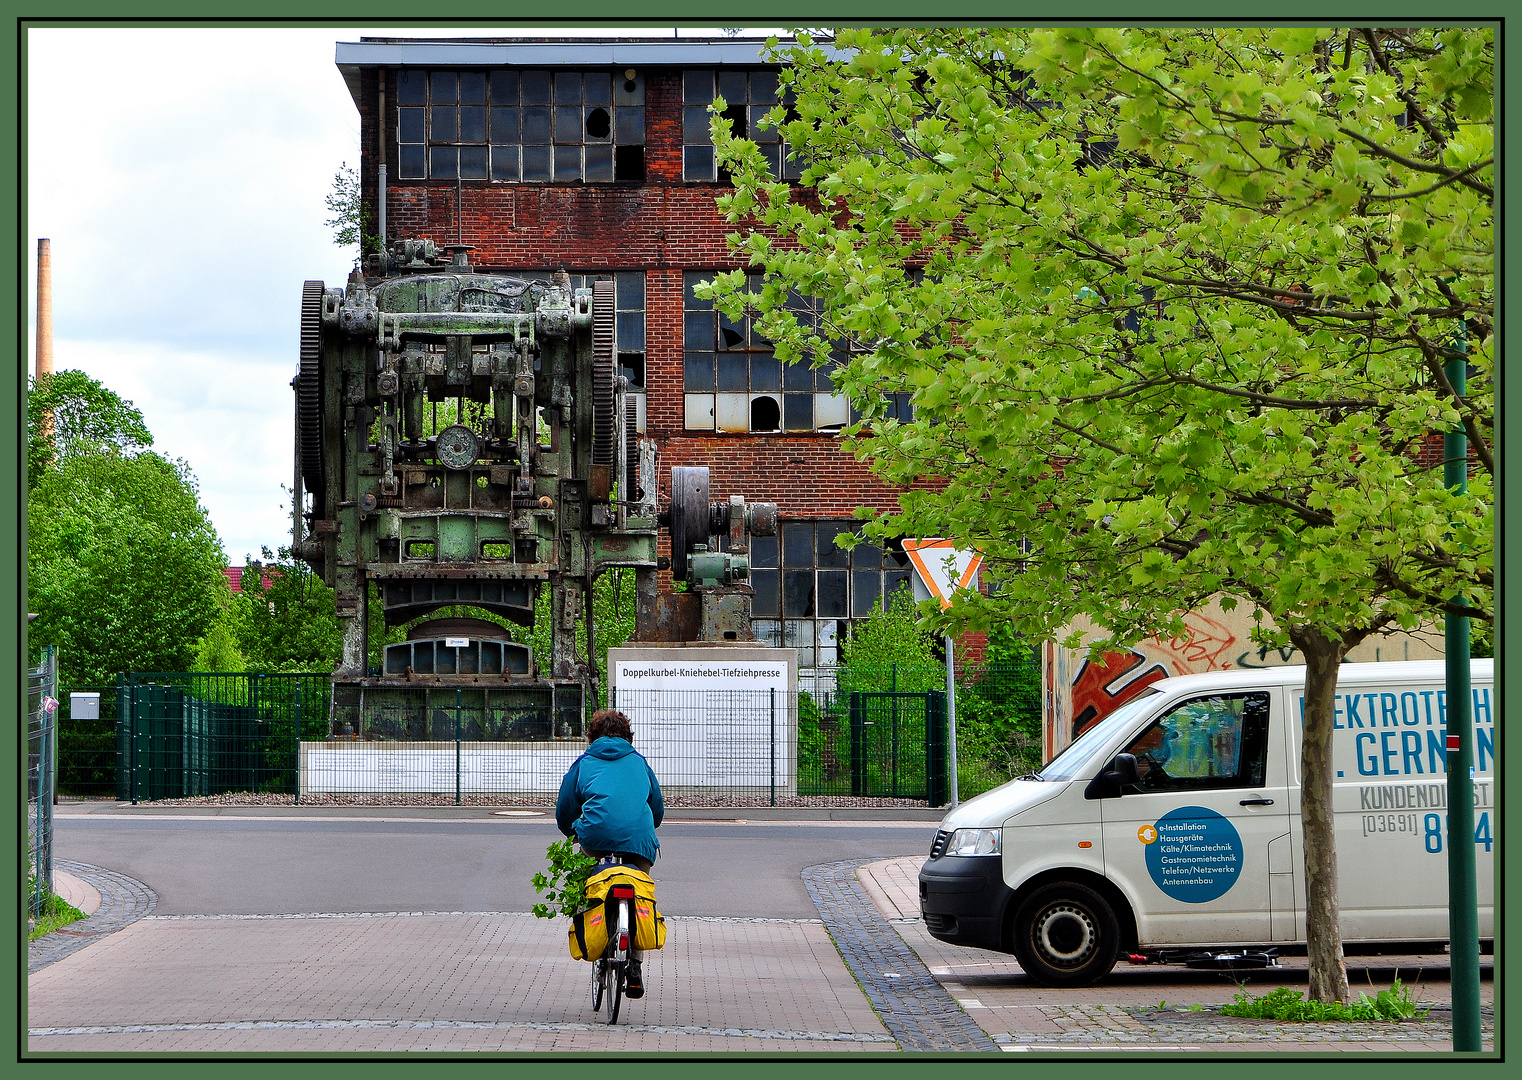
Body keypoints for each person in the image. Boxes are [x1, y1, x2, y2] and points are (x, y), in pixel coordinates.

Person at [556, 707, 664, 998]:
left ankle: (594, 934)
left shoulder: (584, 762)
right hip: (638, 841)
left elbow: (565, 808)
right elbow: (657, 808)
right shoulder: (640, 763)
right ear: (628, 735)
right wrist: (643, 828)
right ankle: (636, 967)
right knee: (640, 890)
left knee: (588, 879)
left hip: (594, 838)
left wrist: (572, 831)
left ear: (592, 735)